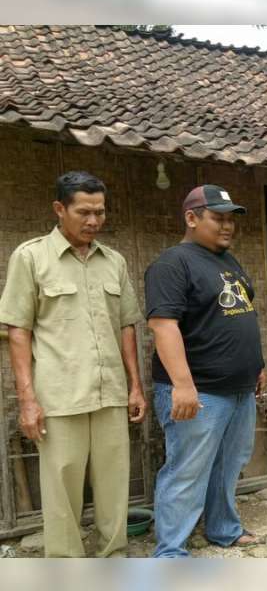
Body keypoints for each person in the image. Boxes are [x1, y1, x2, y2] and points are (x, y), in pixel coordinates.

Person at [0, 171, 146, 557]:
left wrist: (134, 386)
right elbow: (18, 331)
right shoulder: (30, 257)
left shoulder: (113, 261)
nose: (94, 221)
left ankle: (112, 557)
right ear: (59, 209)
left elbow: (127, 325)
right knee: (61, 489)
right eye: (84, 212)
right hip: (59, 397)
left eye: (100, 212)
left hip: (110, 392)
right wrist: (28, 400)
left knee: (115, 484)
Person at [145, 184, 267, 558]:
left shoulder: (228, 261)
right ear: (192, 218)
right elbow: (163, 326)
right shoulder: (172, 263)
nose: (227, 226)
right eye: (218, 218)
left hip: (238, 389)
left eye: (231, 219)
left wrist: (257, 366)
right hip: (199, 392)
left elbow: (240, 315)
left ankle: (223, 529)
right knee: (186, 471)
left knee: (229, 466)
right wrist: (183, 386)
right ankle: (170, 551)